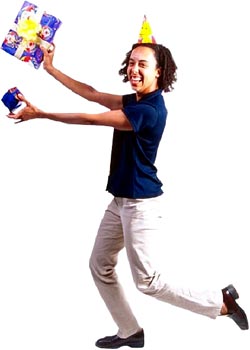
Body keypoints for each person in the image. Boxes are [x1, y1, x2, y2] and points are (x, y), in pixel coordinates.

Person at [8, 38, 248, 348]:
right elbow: (92, 94)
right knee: (100, 264)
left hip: (141, 206)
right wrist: (51, 68)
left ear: (159, 72)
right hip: (120, 201)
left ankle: (221, 302)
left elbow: (90, 118)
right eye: (132, 62)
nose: (134, 69)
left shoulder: (148, 111)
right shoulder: (135, 100)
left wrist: (40, 114)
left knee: (148, 282)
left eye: (142, 64)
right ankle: (130, 331)